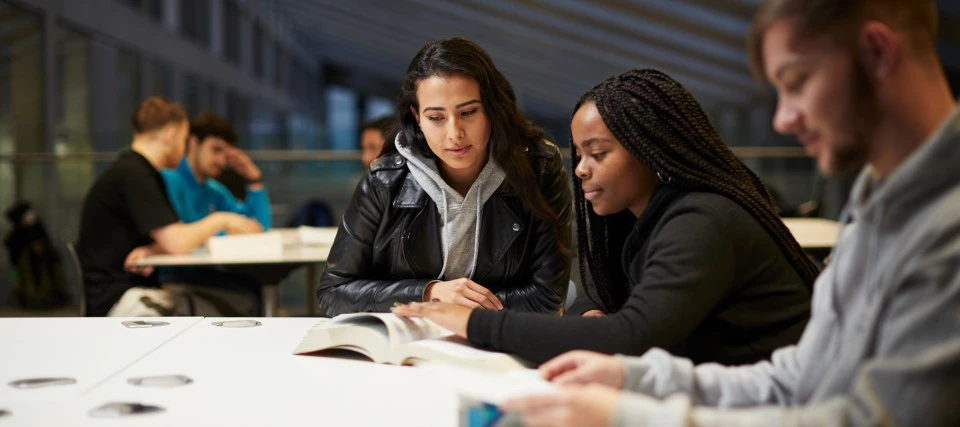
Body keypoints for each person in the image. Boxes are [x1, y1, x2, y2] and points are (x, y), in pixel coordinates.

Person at [500, 1, 960, 425]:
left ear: (878, 51)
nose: (783, 119)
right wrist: (630, 378)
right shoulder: (878, 207)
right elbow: (795, 379)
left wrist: (628, 413)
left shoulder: (945, 226)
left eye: (797, 81)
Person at [392, 69, 816, 366]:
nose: (580, 169)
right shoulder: (643, 221)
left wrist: (476, 323)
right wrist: (593, 317)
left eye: (597, 154)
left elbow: (629, 338)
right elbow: (605, 308)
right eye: (579, 155)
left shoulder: (701, 221)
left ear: (651, 148)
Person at [317, 37, 573, 317]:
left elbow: (546, 299)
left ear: (492, 108)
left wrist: (459, 315)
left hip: (500, 343)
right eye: (436, 117)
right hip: (410, 345)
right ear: (417, 117)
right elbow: (333, 293)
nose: (455, 134)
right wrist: (429, 293)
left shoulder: (539, 167)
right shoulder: (385, 179)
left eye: (468, 112)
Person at [76, 97, 262, 317]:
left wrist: (155, 249)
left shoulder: (138, 171)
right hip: (120, 301)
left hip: (132, 291)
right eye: (184, 140)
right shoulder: (135, 175)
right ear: (171, 136)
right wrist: (220, 219)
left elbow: (171, 237)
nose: (184, 150)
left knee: (243, 300)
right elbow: (177, 241)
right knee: (237, 308)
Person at [161, 112, 271, 232]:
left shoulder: (214, 191)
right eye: (216, 149)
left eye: (227, 155)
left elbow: (258, 227)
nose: (222, 161)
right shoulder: (168, 180)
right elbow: (177, 237)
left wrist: (254, 180)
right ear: (193, 142)